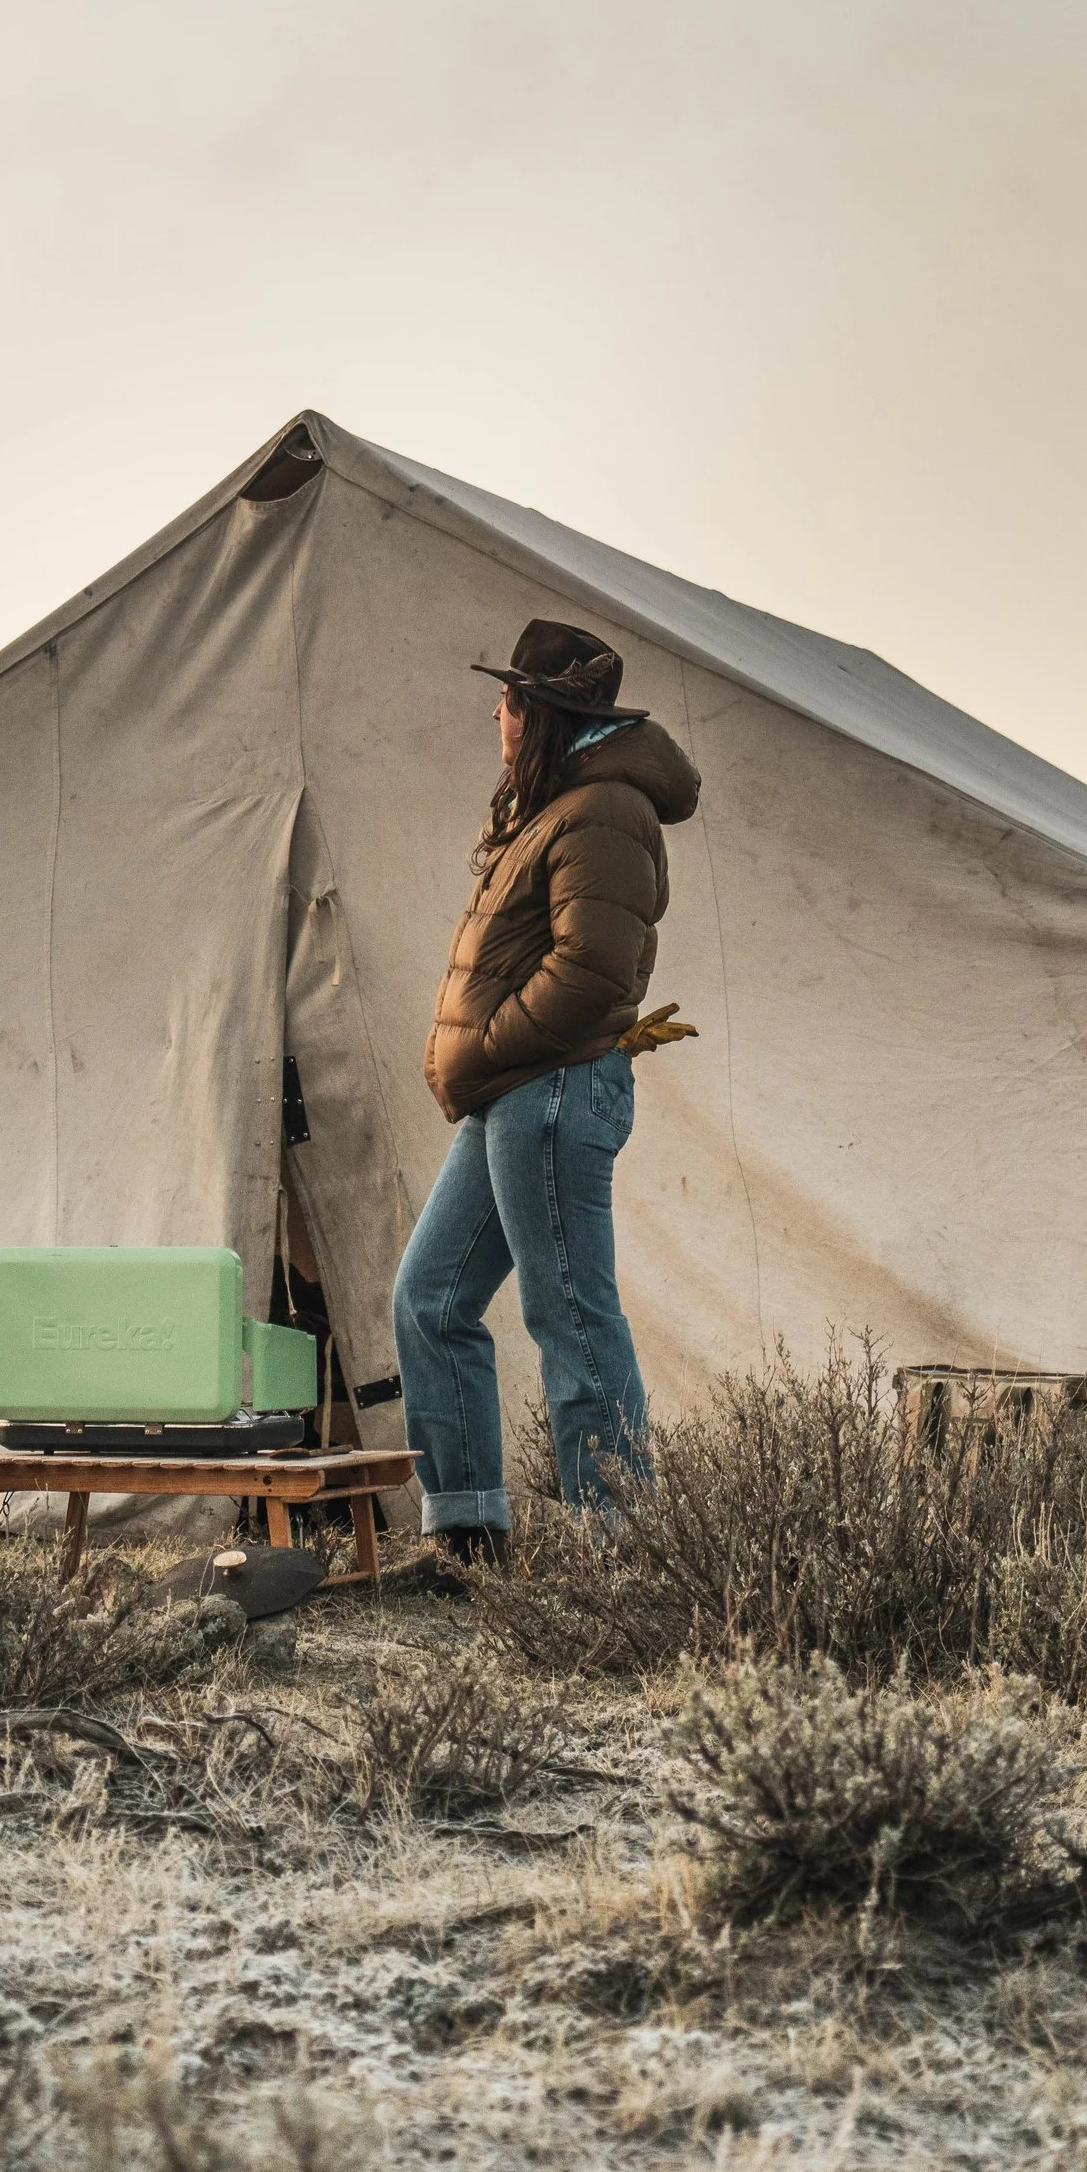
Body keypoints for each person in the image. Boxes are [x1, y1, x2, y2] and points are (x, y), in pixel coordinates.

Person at [391, 618, 701, 1569]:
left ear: (542, 714)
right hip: (514, 1093)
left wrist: (483, 1047)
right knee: (428, 1300)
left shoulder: (604, 809)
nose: (497, 714)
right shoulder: (555, 808)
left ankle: (626, 1558)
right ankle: (470, 1536)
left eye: (510, 701)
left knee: (568, 1313)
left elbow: (593, 973)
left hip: (552, 1088)